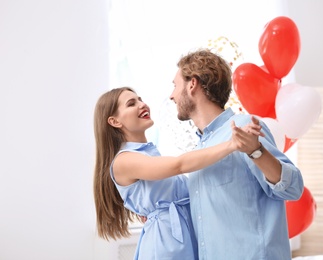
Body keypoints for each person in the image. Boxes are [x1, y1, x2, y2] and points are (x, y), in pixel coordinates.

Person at [93, 86, 262, 260]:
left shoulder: (148, 153)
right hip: (167, 245)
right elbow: (179, 165)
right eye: (131, 104)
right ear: (115, 122)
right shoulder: (124, 160)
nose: (142, 105)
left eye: (140, 99)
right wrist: (231, 144)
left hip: (185, 235)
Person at [169, 49, 304, 260]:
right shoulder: (199, 152)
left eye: (175, 85)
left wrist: (256, 151)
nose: (172, 95)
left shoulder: (242, 128)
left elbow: (293, 188)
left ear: (192, 84)